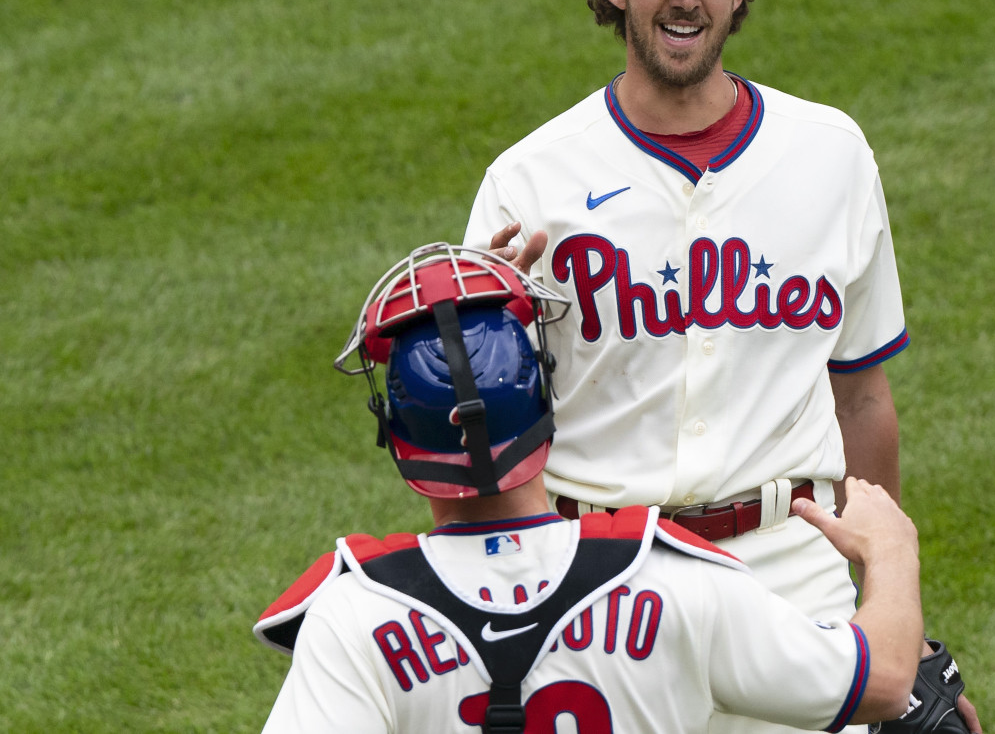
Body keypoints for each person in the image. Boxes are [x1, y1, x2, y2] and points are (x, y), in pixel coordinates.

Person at [463, 0, 981, 734]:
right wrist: (481, 325)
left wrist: (895, 618)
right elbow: (478, 428)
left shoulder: (831, 154)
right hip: (598, 585)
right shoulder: (529, 182)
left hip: (792, 569)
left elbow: (860, 393)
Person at [254, 244, 925, 733]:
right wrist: (891, 550)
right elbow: (885, 681)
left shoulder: (357, 614)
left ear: (400, 441)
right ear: (547, 400)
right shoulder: (671, 577)